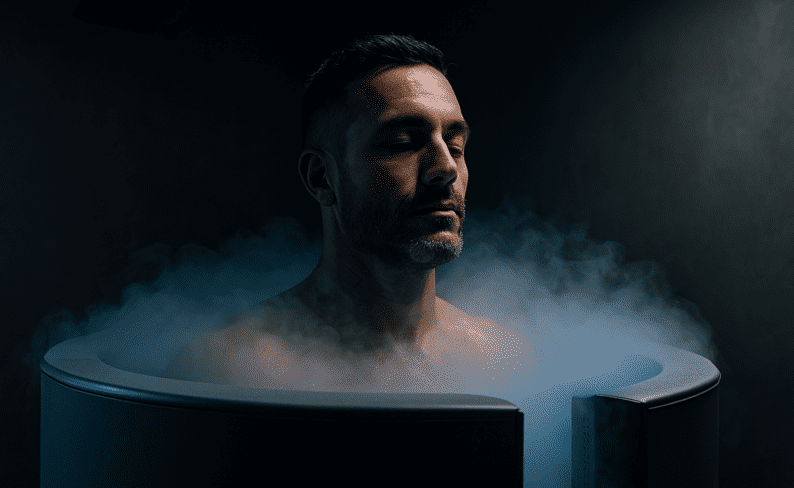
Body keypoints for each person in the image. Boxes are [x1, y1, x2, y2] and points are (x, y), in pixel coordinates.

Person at [166, 33, 530, 392]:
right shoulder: (230, 370)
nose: (446, 167)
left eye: (455, 145)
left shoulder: (502, 360)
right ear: (322, 178)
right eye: (402, 143)